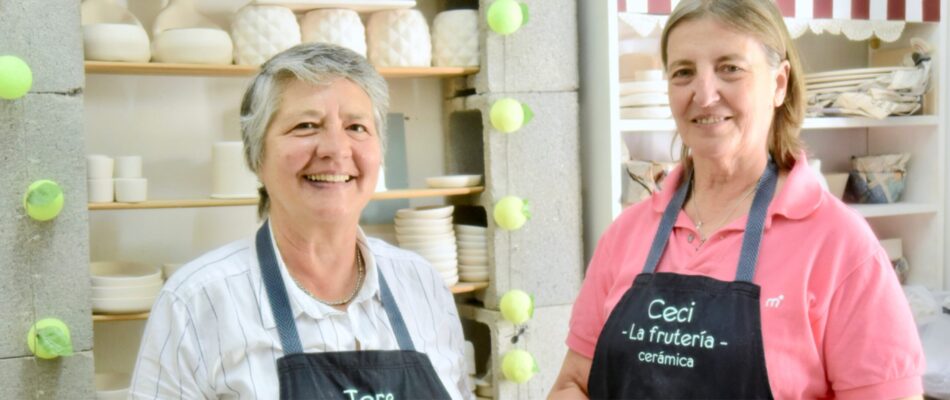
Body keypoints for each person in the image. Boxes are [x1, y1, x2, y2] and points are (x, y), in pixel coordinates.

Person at [550, 0, 924, 398]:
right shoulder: (627, 234)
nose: (704, 94)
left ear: (779, 84)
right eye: (683, 73)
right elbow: (573, 382)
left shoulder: (839, 245)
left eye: (730, 68)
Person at [130, 43, 471, 399]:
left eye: (356, 127)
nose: (336, 149)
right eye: (306, 125)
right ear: (256, 154)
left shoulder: (423, 285)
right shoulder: (195, 303)